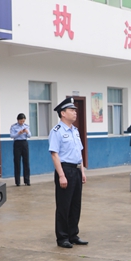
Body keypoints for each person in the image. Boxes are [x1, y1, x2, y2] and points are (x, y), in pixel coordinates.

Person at [49, 97, 87, 248]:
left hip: (76, 170)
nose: (75, 113)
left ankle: (73, 234)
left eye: (75, 110)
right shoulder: (56, 131)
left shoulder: (75, 131)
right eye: (72, 110)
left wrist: (82, 172)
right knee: (64, 205)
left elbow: (79, 152)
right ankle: (62, 238)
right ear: (63, 113)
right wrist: (61, 175)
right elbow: (54, 154)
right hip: (65, 169)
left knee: (75, 205)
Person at [9, 113, 31, 187]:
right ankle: (17, 182)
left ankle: (27, 180)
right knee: (17, 162)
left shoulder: (26, 126)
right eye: (21, 121)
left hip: (24, 143)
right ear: (18, 120)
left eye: (23, 121)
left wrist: (27, 132)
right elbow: (12, 136)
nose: (22, 122)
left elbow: (30, 135)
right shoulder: (14, 126)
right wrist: (19, 133)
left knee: (26, 162)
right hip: (17, 143)